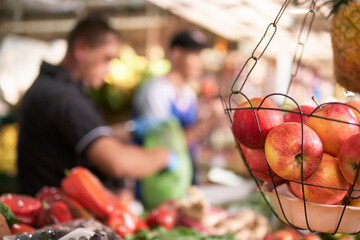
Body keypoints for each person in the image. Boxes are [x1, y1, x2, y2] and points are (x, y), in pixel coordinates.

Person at [17, 15, 177, 196]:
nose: (108, 70)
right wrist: (164, 156)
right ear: (81, 48)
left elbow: (72, 136)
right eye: (106, 58)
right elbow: (117, 163)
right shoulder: (62, 96)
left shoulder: (52, 86)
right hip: (60, 217)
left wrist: (128, 130)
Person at [132, 29, 217, 184]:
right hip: (157, 184)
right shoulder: (156, 91)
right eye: (195, 55)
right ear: (177, 54)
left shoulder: (188, 93)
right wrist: (208, 123)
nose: (201, 62)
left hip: (183, 181)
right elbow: (162, 147)